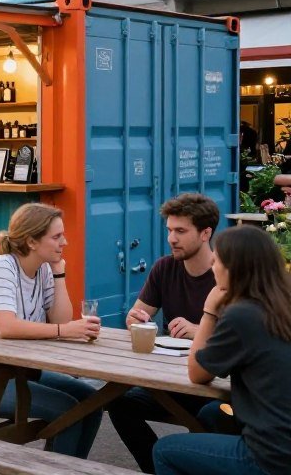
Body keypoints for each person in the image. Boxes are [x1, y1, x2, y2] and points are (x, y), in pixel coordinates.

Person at [0, 203, 102, 459]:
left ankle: (72, 468)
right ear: (32, 241)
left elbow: (61, 317)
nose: (64, 242)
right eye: (56, 237)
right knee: (70, 410)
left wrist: (59, 274)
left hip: (24, 371)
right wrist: (65, 330)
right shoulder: (2, 268)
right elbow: (7, 326)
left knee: (91, 402)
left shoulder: (43, 268)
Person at [153, 226, 291, 475]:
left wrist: (209, 311)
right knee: (211, 413)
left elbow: (197, 373)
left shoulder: (242, 315)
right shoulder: (281, 304)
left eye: (217, 261)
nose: (213, 268)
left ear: (234, 268)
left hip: (272, 456)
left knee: (164, 450)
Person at [109, 193, 219, 472]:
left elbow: (240, 338)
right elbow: (136, 316)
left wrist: (198, 331)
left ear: (205, 233)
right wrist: (136, 320)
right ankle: (156, 468)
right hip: (166, 380)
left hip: (210, 383)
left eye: (180, 231)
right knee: (118, 402)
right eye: (169, 230)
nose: (172, 238)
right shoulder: (164, 267)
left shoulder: (225, 273)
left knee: (211, 419)